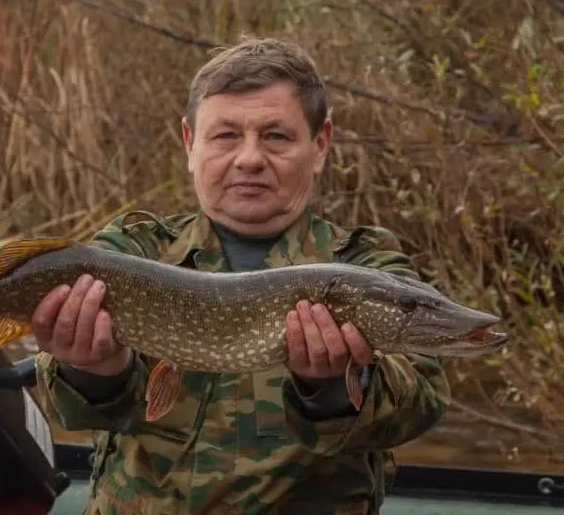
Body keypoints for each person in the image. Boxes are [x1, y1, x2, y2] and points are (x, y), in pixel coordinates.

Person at [32, 37, 451, 514]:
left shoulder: (366, 263)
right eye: (226, 135)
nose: (249, 158)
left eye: (276, 136)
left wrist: (330, 389)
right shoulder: (133, 250)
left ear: (319, 145)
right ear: (191, 144)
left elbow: (420, 400)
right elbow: (67, 406)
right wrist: (92, 369)